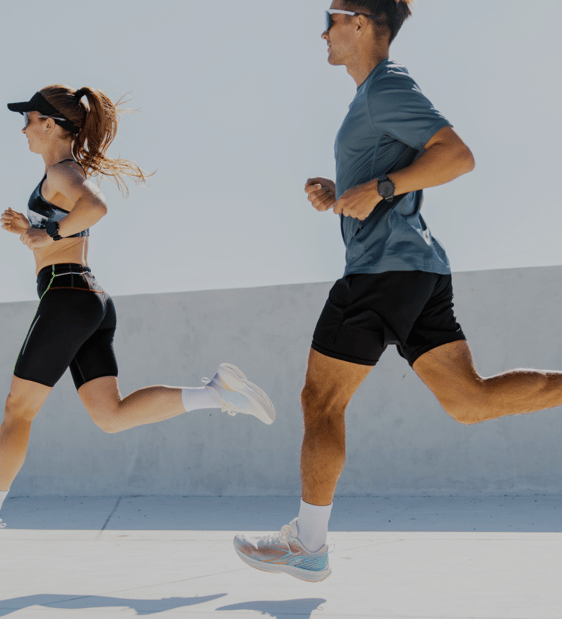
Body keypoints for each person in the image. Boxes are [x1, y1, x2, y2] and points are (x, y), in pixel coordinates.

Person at [234, 0, 562, 582]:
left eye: (331, 18)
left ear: (360, 22)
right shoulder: (370, 97)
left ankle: (309, 544)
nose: (323, 31)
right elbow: (400, 171)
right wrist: (345, 190)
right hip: (416, 269)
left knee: (321, 402)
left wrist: (381, 187)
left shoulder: (387, 87)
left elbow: (458, 158)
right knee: (471, 402)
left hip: (382, 273)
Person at [0, 85, 275, 547]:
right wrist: (33, 230)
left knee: (18, 410)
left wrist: (45, 230)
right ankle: (217, 394)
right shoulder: (65, 172)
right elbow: (70, 226)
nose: (24, 128)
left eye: (30, 119)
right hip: (89, 296)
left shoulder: (62, 170)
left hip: (67, 295)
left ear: (51, 124)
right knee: (110, 416)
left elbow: (96, 206)